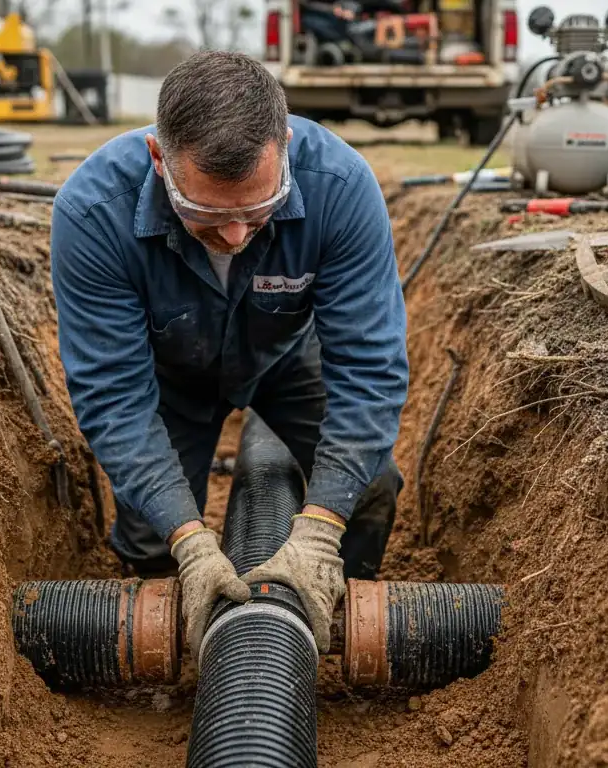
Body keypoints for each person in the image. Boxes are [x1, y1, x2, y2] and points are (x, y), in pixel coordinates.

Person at [50, 51, 408, 657]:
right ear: (160, 160)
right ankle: (175, 657)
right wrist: (189, 538)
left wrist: (320, 530)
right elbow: (114, 396)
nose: (238, 235)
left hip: (288, 356)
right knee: (148, 538)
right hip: (172, 374)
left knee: (370, 484)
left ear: (285, 146)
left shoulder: (340, 188)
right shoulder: (92, 214)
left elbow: (369, 370)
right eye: (209, 213)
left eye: (257, 209)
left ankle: (339, 609)